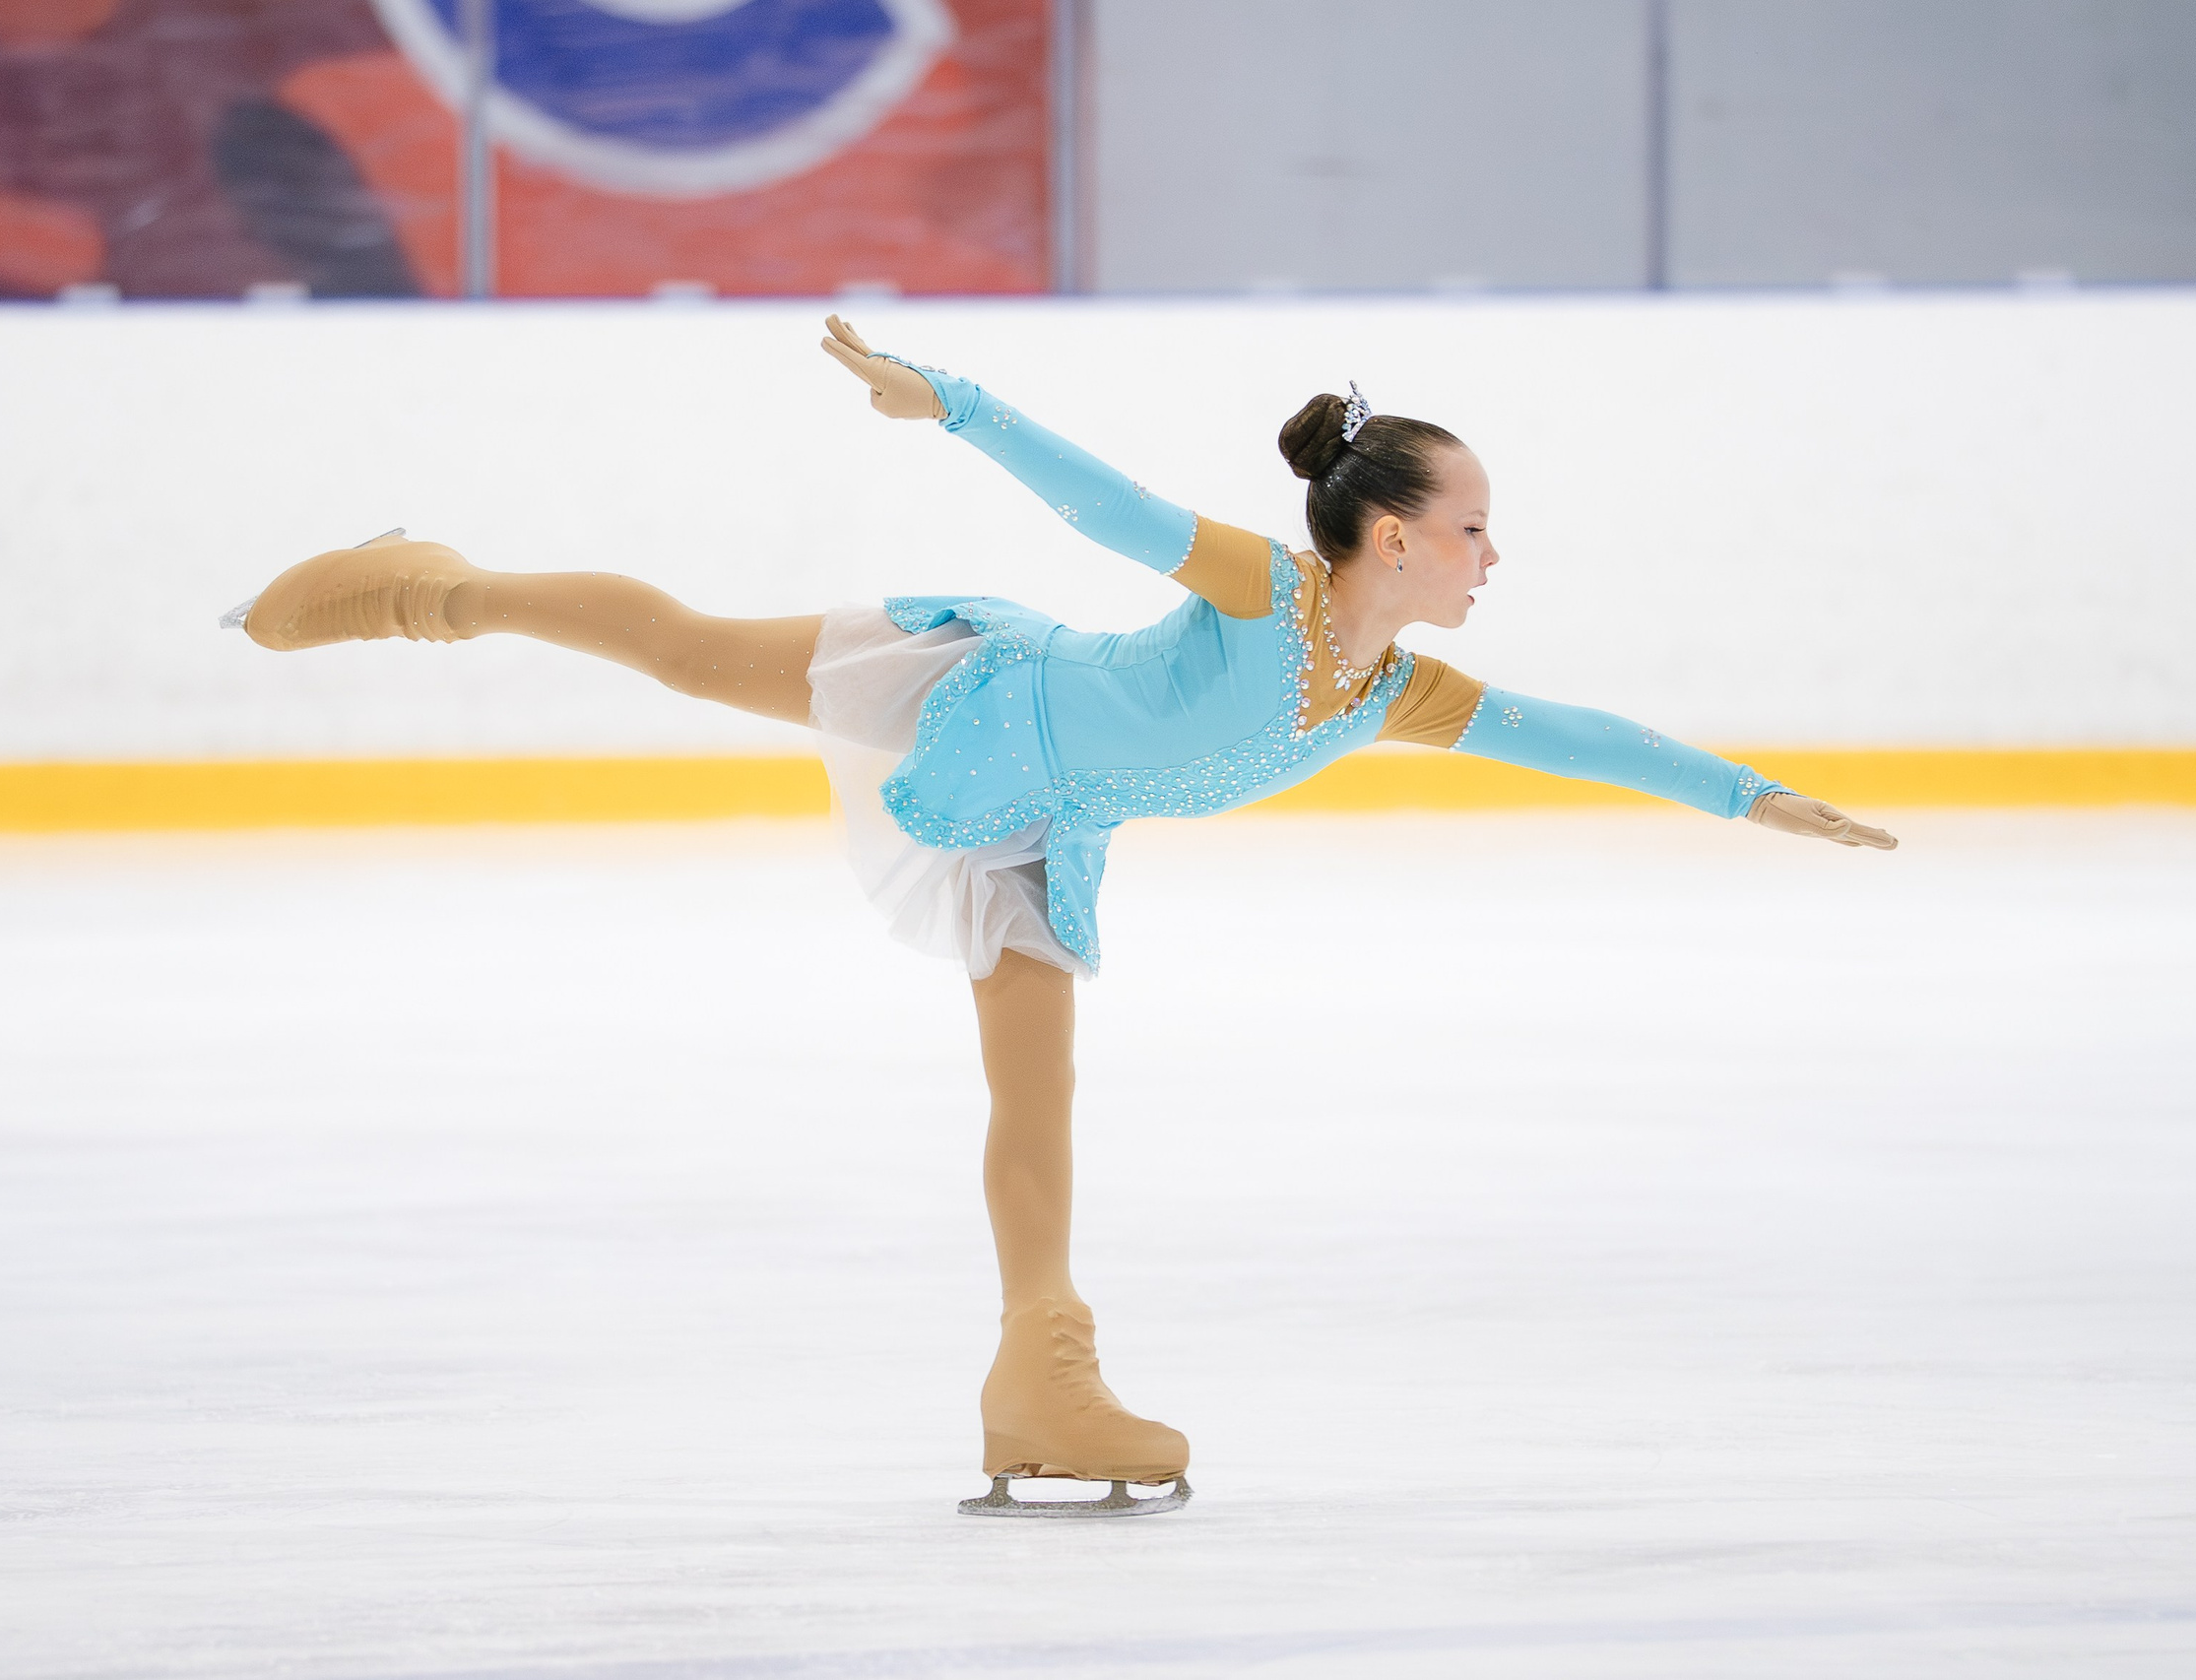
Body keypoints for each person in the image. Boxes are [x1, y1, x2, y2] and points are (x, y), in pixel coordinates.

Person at [224, 317, 1897, 1518]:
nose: (1488, 554)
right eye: (1471, 529)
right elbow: (1105, 508)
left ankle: (1042, 1374)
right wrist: (942, 398)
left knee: (1039, 1099)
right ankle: (433, 586)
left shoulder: (1394, 687)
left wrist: (1752, 795)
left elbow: (1575, 738)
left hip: (1044, 820)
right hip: (969, 689)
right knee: (680, 647)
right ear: (1389, 533)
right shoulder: (1272, 591)